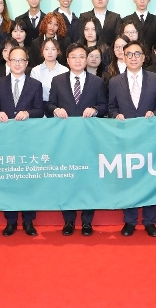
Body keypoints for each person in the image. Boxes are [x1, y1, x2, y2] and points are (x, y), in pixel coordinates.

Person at [107, 41, 156, 237]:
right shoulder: (114, 82)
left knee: (149, 179)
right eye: (129, 54)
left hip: (149, 137)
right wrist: (115, 115)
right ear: (123, 57)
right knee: (129, 180)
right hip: (125, 138)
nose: (133, 58)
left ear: (144, 57)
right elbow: (111, 108)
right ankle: (130, 221)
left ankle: (150, 221)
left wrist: (155, 113)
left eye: (137, 54)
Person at [45, 44, 107, 235]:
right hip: (65, 139)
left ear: (87, 59)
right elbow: (49, 105)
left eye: (81, 56)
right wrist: (55, 110)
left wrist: (95, 110)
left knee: (88, 178)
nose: (78, 60)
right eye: (74, 57)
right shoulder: (57, 81)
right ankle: (69, 220)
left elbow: (104, 106)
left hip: (89, 139)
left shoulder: (97, 81)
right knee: (67, 178)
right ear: (67, 60)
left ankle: (87, 221)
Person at [0, 47, 46, 236]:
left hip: (28, 140)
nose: (18, 64)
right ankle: (10, 221)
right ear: (8, 62)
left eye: (21, 60)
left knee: (28, 180)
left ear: (27, 63)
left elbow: (40, 110)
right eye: (14, 60)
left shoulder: (35, 84)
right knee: (9, 180)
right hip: (6, 140)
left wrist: (28, 113)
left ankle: (29, 221)